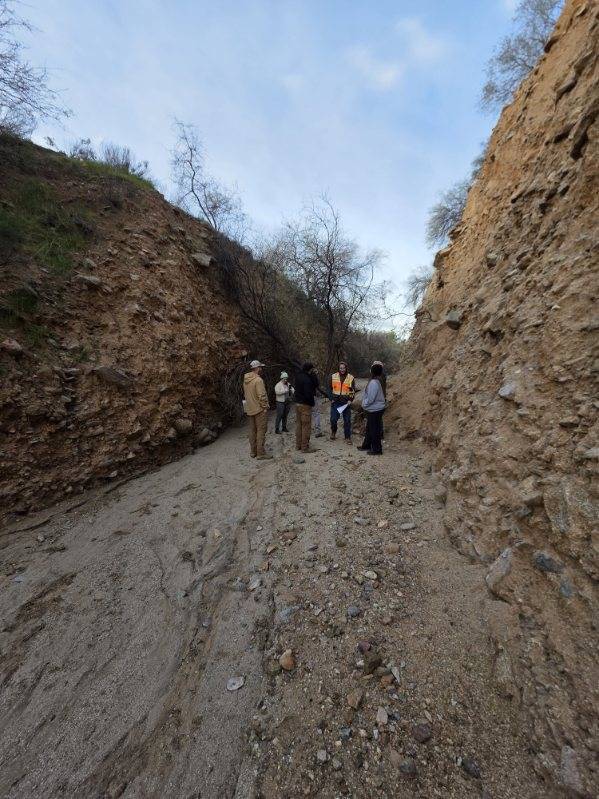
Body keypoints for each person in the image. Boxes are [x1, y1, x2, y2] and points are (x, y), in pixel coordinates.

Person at [243, 359, 272, 460]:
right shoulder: (258, 380)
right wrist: (265, 407)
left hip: (250, 409)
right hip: (259, 409)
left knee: (252, 431)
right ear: (257, 368)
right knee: (261, 430)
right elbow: (262, 396)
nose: (261, 369)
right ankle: (261, 453)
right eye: (260, 367)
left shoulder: (246, 380)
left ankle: (253, 452)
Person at [357, 363, 386, 455]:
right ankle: (367, 445)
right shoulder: (377, 381)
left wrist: (364, 404)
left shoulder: (374, 383)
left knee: (374, 430)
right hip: (376, 409)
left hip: (375, 409)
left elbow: (371, 399)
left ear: (372, 371)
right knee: (369, 428)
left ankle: (377, 449)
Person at [294, 362, 319, 453]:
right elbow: (311, 391)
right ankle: (305, 447)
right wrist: (311, 403)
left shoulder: (298, 376)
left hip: (297, 403)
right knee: (306, 426)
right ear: (310, 369)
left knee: (299, 425)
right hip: (305, 405)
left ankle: (298, 445)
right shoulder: (307, 380)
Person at [328, 361, 356, 443]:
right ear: (338, 368)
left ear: (346, 368)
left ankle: (347, 437)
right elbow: (329, 389)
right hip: (335, 402)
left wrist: (350, 400)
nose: (342, 370)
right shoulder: (333, 376)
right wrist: (331, 398)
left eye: (344, 368)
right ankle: (333, 432)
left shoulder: (350, 378)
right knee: (333, 419)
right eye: (341, 368)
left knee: (347, 420)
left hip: (346, 403)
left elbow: (352, 390)